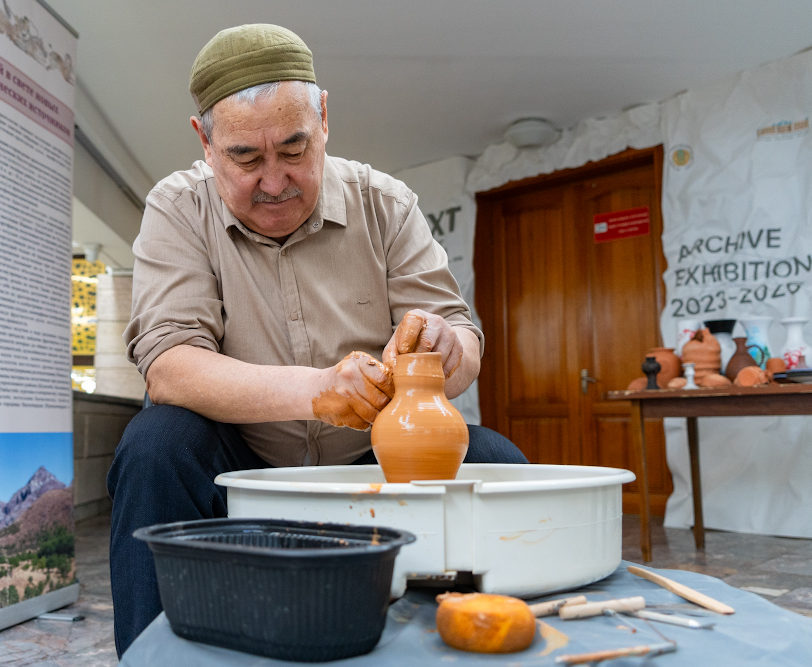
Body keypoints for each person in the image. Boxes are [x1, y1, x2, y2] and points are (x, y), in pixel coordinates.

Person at [107, 23, 528, 656]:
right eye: (246, 158)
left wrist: (447, 346)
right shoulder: (178, 208)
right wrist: (319, 389)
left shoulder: (385, 204)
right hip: (239, 464)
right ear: (205, 142)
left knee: (497, 463)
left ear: (324, 118)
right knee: (155, 446)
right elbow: (170, 366)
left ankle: (491, 642)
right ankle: (151, 656)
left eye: (294, 148)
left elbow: (461, 338)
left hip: (370, 461)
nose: (275, 181)